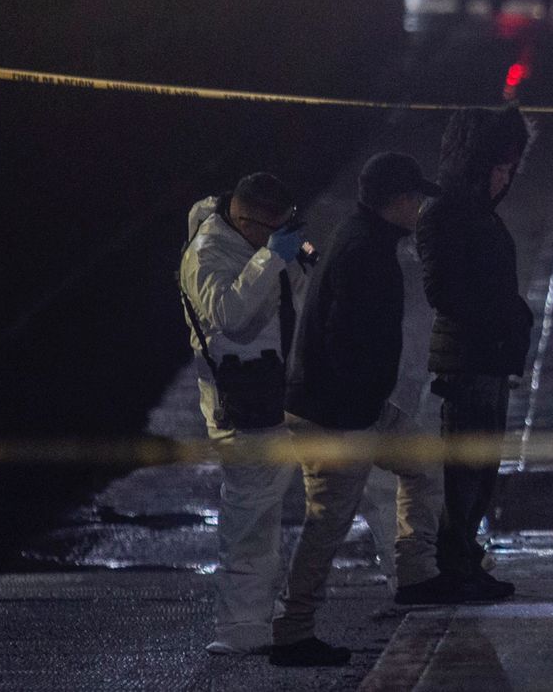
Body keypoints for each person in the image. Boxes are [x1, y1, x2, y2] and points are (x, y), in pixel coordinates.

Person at [270, 152, 470, 668]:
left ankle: (416, 576)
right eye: (416, 199)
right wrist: (354, 418)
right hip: (335, 414)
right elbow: (343, 340)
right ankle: (292, 632)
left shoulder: (362, 238)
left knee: (423, 461)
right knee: (326, 522)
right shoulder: (365, 253)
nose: (421, 207)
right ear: (399, 202)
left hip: (352, 407)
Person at [178, 172, 309, 656]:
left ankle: (262, 615)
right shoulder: (208, 253)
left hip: (280, 392)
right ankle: (241, 630)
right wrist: (272, 257)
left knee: (268, 512)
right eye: (271, 229)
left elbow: (295, 297)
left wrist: (286, 257)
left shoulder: (252, 243)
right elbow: (230, 316)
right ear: (245, 220)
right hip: (243, 403)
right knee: (250, 517)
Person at [417, 106, 534, 600]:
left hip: (488, 359)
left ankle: (467, 558)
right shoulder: (445, 213)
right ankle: (455, 565)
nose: (504, 179)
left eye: (511, 169)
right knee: (463, 472)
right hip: (466, 361)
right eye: (498, 168)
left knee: (481, 471)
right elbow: (444, 291)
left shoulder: (479, 215)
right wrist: (502, 319)